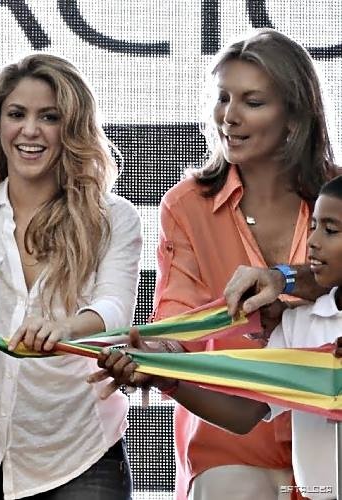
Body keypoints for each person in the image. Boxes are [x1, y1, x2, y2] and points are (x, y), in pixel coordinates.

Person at [96, 28, 339, 500]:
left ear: (295, 116)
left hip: (327, 444)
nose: (229, 116)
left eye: (252, 101)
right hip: (229, 442)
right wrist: (155, 358)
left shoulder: (338, 196)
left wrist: (286, 280)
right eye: (223, 97)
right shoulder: (186, 205)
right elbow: (178, 319)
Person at [0, 53, 142, 499]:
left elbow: (115, 309)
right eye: (17, 114)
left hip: (82, 459)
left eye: (49, 117)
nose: (31, 130)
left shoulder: (115, 217)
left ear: (72, 128)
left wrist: (66, 328)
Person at [93, 174, 342, 500]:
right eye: (313, 227)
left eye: (331, 230)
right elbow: (244, 413)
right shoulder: (301, 324)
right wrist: (166, 378)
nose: (313, 241)